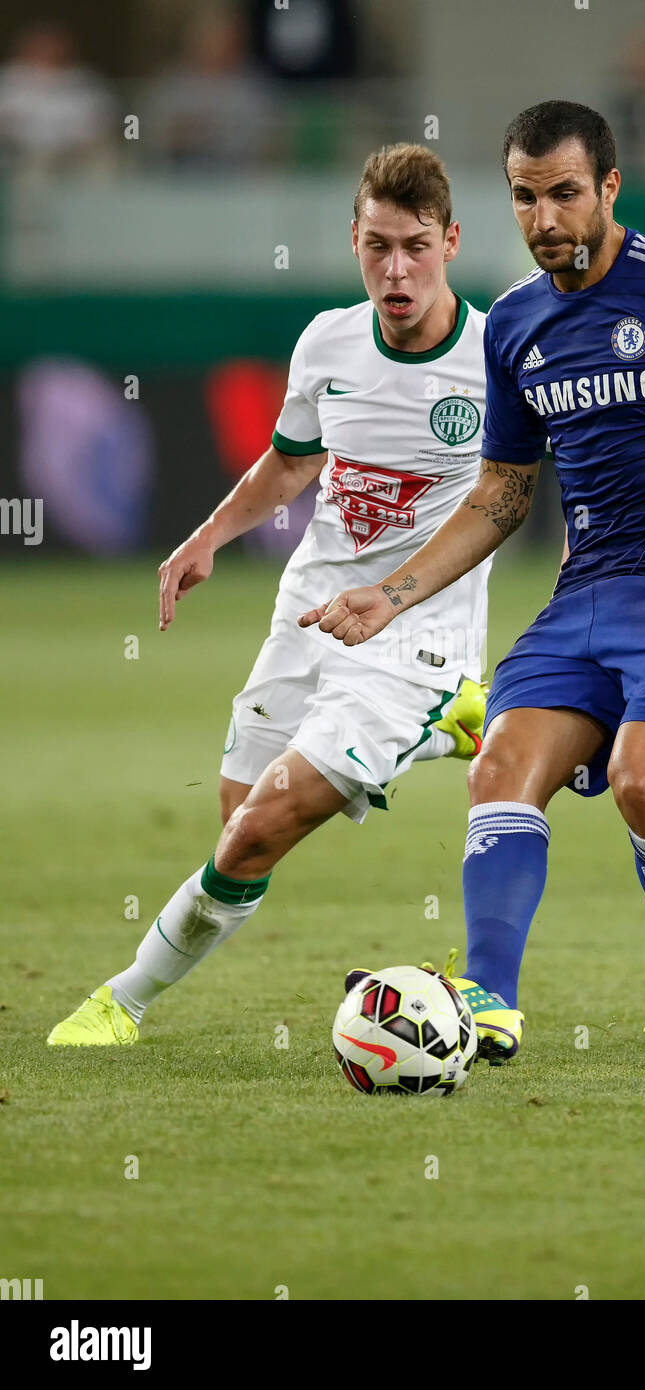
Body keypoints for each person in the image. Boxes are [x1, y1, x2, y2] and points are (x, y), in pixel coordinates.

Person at [303, 102, 645, 1072]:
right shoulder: (512, 323)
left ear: (607, 189)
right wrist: (393, 592)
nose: (543, 216)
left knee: (642, 782)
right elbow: (503, 493)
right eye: (522, 195)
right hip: (585, 592)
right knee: (498, 767)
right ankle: (487, 1004)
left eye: (561, 193)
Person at [48, 143, 493, 1046]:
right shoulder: (328, 341)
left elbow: (515, 494)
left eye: (414, 247)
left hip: (414, 639)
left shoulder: (497, 357)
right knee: (236, 817)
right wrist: (208, 535)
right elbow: (292, 460)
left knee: (257, 832)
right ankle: (452, 728)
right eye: (376, 246)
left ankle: (121, 1001)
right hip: (308, 614)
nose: (394, 269)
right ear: (354, 239)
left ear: (450, 240)